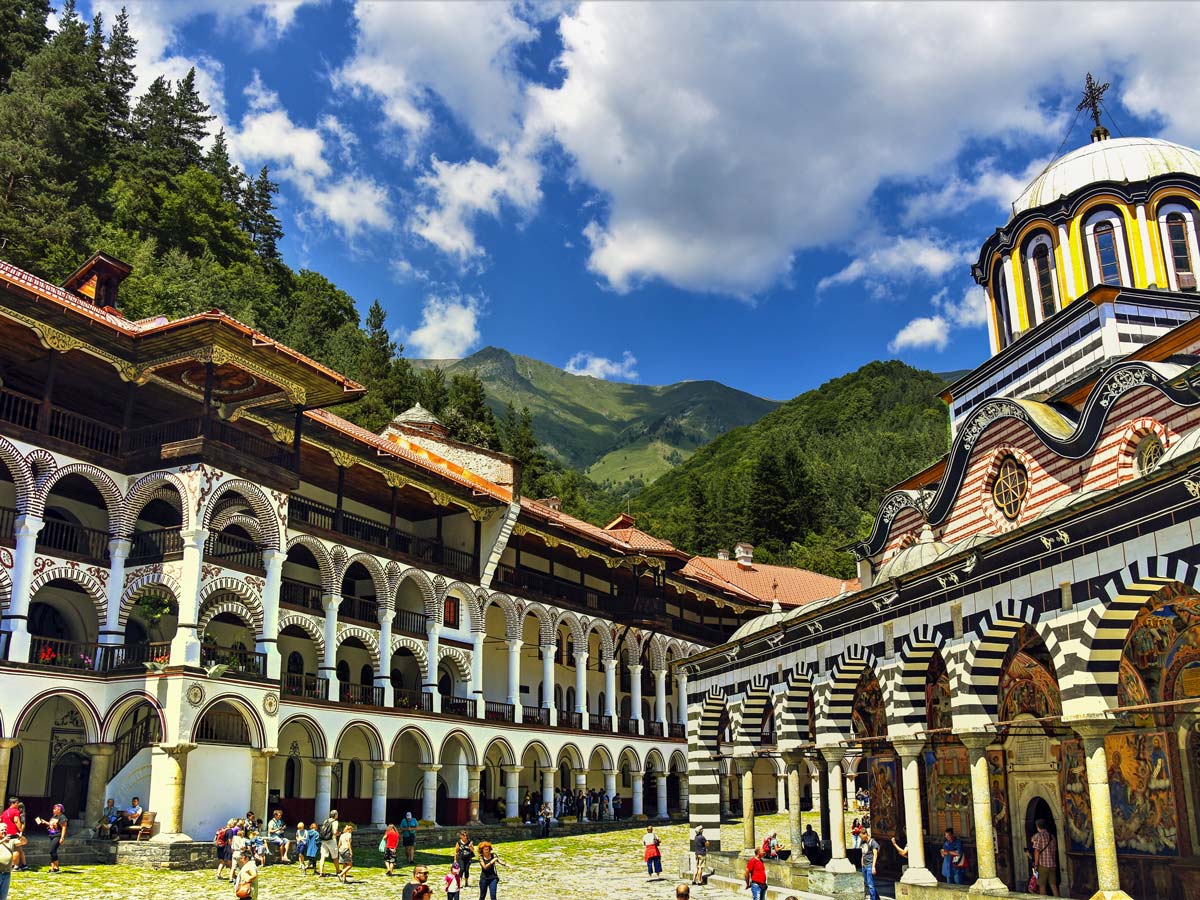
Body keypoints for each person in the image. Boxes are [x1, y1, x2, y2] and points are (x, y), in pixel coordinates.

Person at [35, 803, 67, 873]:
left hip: (57, 835)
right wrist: (44, 822)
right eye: (54, 808)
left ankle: (57, 867)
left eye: (55, 809)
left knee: (52, 851)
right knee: (52, 852)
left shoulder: (62, 817)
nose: (53, 810)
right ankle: (52, 868)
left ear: (59, 810)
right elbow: (50, 824)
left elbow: (64, 828)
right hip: (51, 835)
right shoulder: (54, 816)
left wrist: (62, 838)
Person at [1031, 818, 1058, 897]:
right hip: (1052, 864)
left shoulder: (1039, 836)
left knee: (1042, 886)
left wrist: (1036, 865)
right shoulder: (1052, 837)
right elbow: (1055, 850)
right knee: (1053, 886)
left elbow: (1036, 851)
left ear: (1037, 826)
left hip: (1043, 865)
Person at [317, 809, 339, 877]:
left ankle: (321, 871)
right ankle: (338, 871)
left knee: (322, 856)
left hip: (324, 840)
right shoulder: (335, 822)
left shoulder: (326, 821)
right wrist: (339, 834)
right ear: (335, 815)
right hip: (331, 840)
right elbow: (335, 832)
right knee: (335, 856)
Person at [860, 826, 881, 900]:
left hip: (870, 865)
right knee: (867, 883)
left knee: (871, 884)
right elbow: (863, 853)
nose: (861, 838)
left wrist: (873, 866)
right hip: (864, 865)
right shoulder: (862, 842)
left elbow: (875, 854)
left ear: (865, 834)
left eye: (862, 836)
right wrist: (862, 862)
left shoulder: (872, 842)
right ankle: (877, 898)